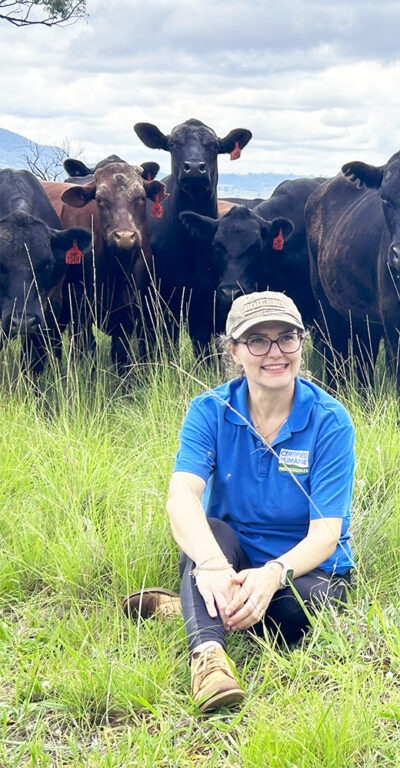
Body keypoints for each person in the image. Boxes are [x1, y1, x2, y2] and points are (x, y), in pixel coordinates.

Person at [123, 291, 356, 713]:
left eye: (287, 337)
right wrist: (213, 564)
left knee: (295, 614)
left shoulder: (330, 420)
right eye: (257, 340)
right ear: (234, 350)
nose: (275, 352)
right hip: (229, 559)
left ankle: (190, 606)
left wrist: (272, 574)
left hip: (303, 568)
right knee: (206, 534)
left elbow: (326, 535)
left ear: (302, 342)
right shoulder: (210, 409)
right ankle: (209, 659)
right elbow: (181, 497)